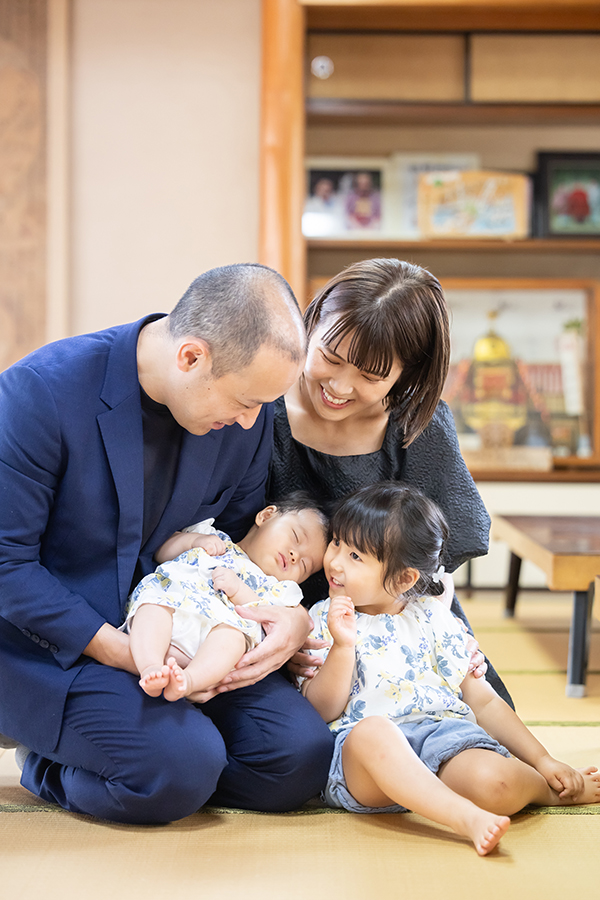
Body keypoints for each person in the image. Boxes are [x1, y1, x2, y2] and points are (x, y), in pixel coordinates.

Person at [0, 263, 334, 824]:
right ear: (191, 357)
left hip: (182, 632)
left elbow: (237, 542)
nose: (254, 420)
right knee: (180, 768)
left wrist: (288, 619)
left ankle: (148, 753)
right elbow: (6, 565)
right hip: (59, 640)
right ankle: (53, 763)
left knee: (297, 758)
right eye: (246, 401)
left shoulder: (248, 419)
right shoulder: (40, 393)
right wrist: (119, 649)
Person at [301, 483, 600, 856]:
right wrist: (343, 646)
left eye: (356, 556)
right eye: (337, 544)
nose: (335, 562)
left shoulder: (434, 617)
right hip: (365, 762)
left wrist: (543, 760)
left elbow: (484, 702)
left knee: (498, 784)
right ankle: (464, 818)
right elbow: (320, 710)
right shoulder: (320, 618)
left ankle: (549, 791)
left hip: (444, 740)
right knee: (373, 733)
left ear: (405, 578)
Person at [267, 257, 511, 705]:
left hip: (404, 631)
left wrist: (437, 636)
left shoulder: (419, 426)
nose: (339, 387)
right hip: (284, 631)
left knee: (483, 743)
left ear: (407, 373)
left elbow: (434, 567)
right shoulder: (259, 406)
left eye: (370, 376)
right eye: (329, 357)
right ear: (313, 320)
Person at [125, 495, 327, 701]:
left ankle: (188, 681)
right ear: (266, 516)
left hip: (208, 644)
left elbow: (266, 622)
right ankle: (151, 666)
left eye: (304, 566)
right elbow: (160, 551)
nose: (295, 556)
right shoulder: (214, 538)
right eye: (295, 537)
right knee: (155, 604)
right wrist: (193, 541)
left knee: (234, 638)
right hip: (173, 605)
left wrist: (238, 590)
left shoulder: (277, 591)